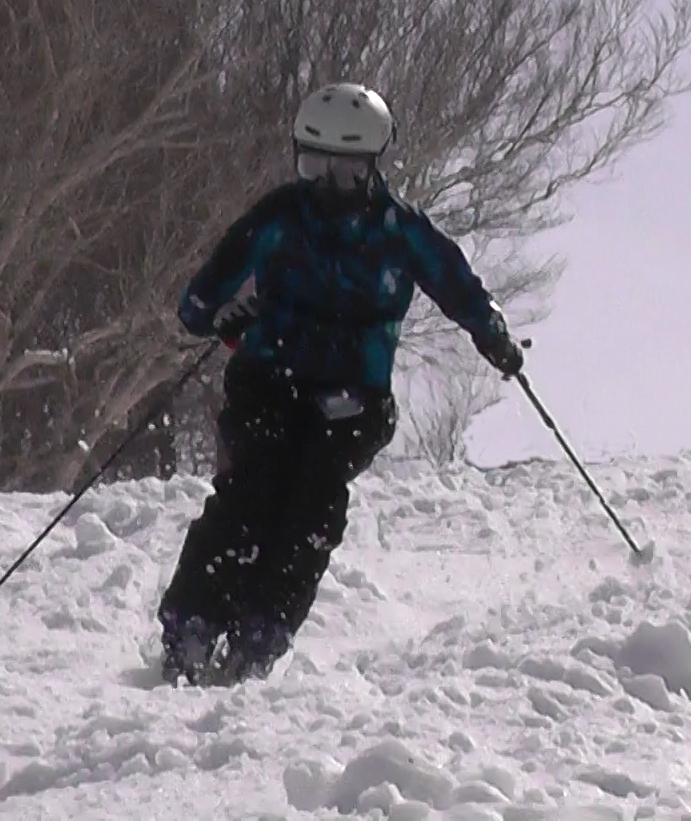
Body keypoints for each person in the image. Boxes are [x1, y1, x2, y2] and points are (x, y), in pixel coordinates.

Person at [156, 82, 527, 686]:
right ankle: (195, 622)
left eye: (347, 172)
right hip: (269, 381)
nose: (329, 186)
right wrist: (221, 316)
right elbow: (200, 301)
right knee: (250, 490)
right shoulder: (279, 218)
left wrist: (496, 341)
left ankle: (261, 629)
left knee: (311, 501)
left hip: (351, 400)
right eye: (315, 166)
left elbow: (456, 284)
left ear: (373, 167)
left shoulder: (397, 231)